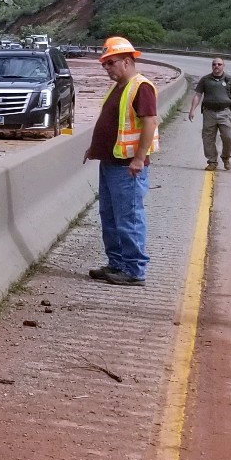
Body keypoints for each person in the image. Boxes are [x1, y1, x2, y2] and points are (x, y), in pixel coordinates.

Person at [84, 35, 157, 286]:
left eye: (110, 63)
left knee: (129, 217)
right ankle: (116, 263)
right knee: (110, 216)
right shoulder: (119, 87)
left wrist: (139, 158)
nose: (106, 68)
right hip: (110, 163)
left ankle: (134, 270)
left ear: (126, 61)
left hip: (127, 167)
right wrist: (94, 148)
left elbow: (150, 122)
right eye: (104, 64)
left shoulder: (141, 87)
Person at [186, 55, 231, 170]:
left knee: (228, 137)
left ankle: (226, 157)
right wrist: (192, 109)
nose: (216, 66)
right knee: (208, 138)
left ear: (223, 66)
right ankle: (212, 161)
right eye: (214, 64)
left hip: (225, 113)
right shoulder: (205, 80)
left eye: (219, 64)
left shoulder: (230, 80)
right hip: (209, 113)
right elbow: (197, 95)